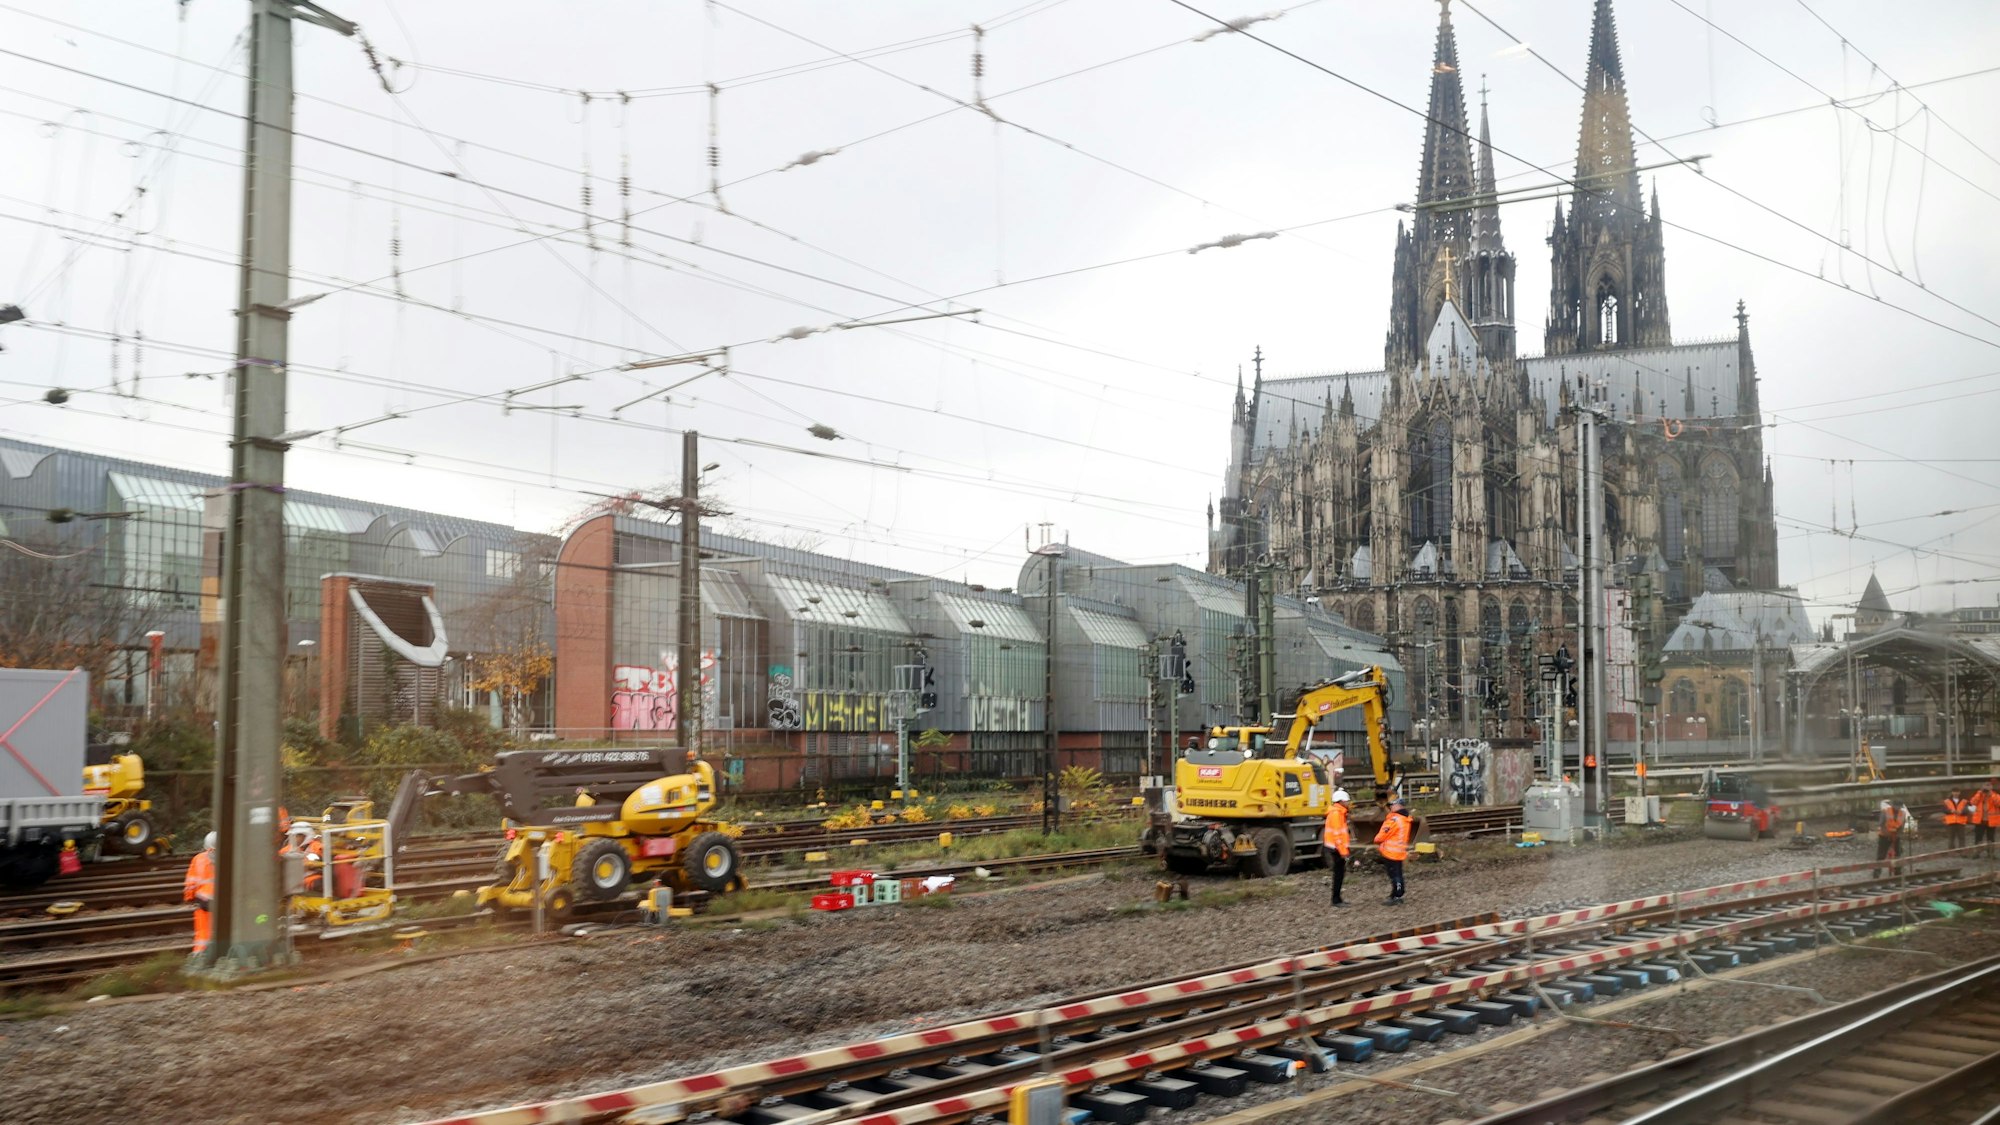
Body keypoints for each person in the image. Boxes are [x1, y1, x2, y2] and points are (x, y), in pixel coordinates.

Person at [1374, 798, 1413, 906]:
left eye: (1393, 805)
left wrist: (1376, 839)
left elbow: (1382, 834)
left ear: (1399, 806)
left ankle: (1397, 896)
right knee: (1398, 874)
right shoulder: (1405, 819)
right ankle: (1397, 893)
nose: (1391, 806)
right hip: (1399, 851)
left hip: (1391, 852)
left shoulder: (1394, 820)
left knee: (1394, 875)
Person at [184, 831, 217, 956]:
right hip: (223, 900)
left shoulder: (198, 859)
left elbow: (190, 883)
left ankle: (200, 955)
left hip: (203, 901)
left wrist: (189, 897)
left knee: (203, 932)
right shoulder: (229, 857)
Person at [1322, 789, 1353, 907]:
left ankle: (1337, 898)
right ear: (1341, 801)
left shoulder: (1338, 813)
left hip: (1335, 847)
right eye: (1346, 801)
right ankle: (1336, 899)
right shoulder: (1336, 814)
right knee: (1338, 874)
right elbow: (1337, 835)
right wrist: (1343, 851)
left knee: (1339, 873)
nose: (1348, 803)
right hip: (1336, 848)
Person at [1875, 799, 1904, 874]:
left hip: (1895, 836)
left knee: (1898, 854)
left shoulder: (1902, 814)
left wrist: (1898, 835)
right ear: (1893, 805)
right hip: (1884, 836)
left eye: (1899, 806)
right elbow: (1881, 824)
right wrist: (1887, 834)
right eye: (1896, 805)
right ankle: (1877, 874)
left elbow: (1901, 827)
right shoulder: (1885, 812)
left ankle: (1898, 872)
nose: (1897, 808)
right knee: (1881, 856)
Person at [1973, 779, 2000, 857]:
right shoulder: (1979, 795)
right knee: (1978, 838)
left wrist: (1991, 794)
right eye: (1986, 785)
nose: (1987, 788)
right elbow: (1973, 802)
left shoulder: (1996, 795)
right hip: (1980, 820)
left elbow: (1998, 803)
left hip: (1991, 821)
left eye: (1989, 785)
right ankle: (1977, 853)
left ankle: (1990, 854)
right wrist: (1979, 793)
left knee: (1991, 838)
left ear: (1992, 787)